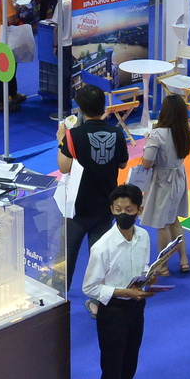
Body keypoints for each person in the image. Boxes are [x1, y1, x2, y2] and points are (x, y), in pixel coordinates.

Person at [84, 185, 162, 379]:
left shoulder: (143, 237)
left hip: (136, 308)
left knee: (129, 367)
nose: (123, 214)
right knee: (112, 373)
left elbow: (143, 268)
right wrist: (125, 292)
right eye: (118, 210)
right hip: (113, 312)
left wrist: (149, 278)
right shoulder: (103, 247)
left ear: (139, 210)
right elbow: (90, 287)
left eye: (129, 210)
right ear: (111, 210)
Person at [60, 84, 129, 260]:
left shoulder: (73, 135)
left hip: (78, 207)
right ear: (103, 106)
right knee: (99, 258)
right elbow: (123, 164)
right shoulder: (117, 133)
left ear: (81, 109)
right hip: (106, 204)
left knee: (66, 257)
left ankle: (63, 280)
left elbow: (64, 167)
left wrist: (61, 140)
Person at [129, 93, 190, 275]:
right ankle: (184, 259)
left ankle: (163, 266)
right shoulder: (185, 131)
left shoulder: (157, 135)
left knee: (161, 224)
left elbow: (147, 163)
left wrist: (147, 142)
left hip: (162, 181)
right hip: (179, 177)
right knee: (174, 220)